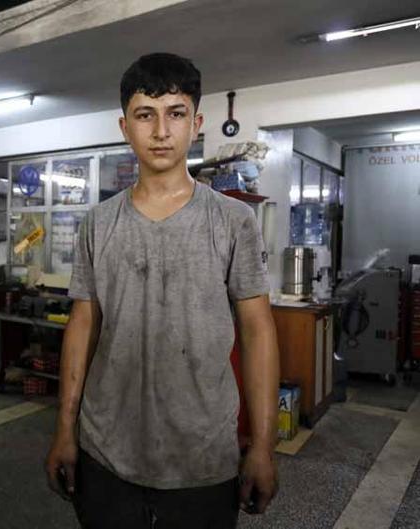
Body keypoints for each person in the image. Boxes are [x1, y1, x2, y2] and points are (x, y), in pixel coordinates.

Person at [45, 53, 280, 528]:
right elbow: (83, 325)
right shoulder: (98, 224)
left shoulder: (233, 221)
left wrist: (263, 446)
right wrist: (65, 429)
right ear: (124, 127)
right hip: (105, 452)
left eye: (175, 113)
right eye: (144, 115)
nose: (160, 131)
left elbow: (258, 332)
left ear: (196, 124)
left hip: (203, 458)